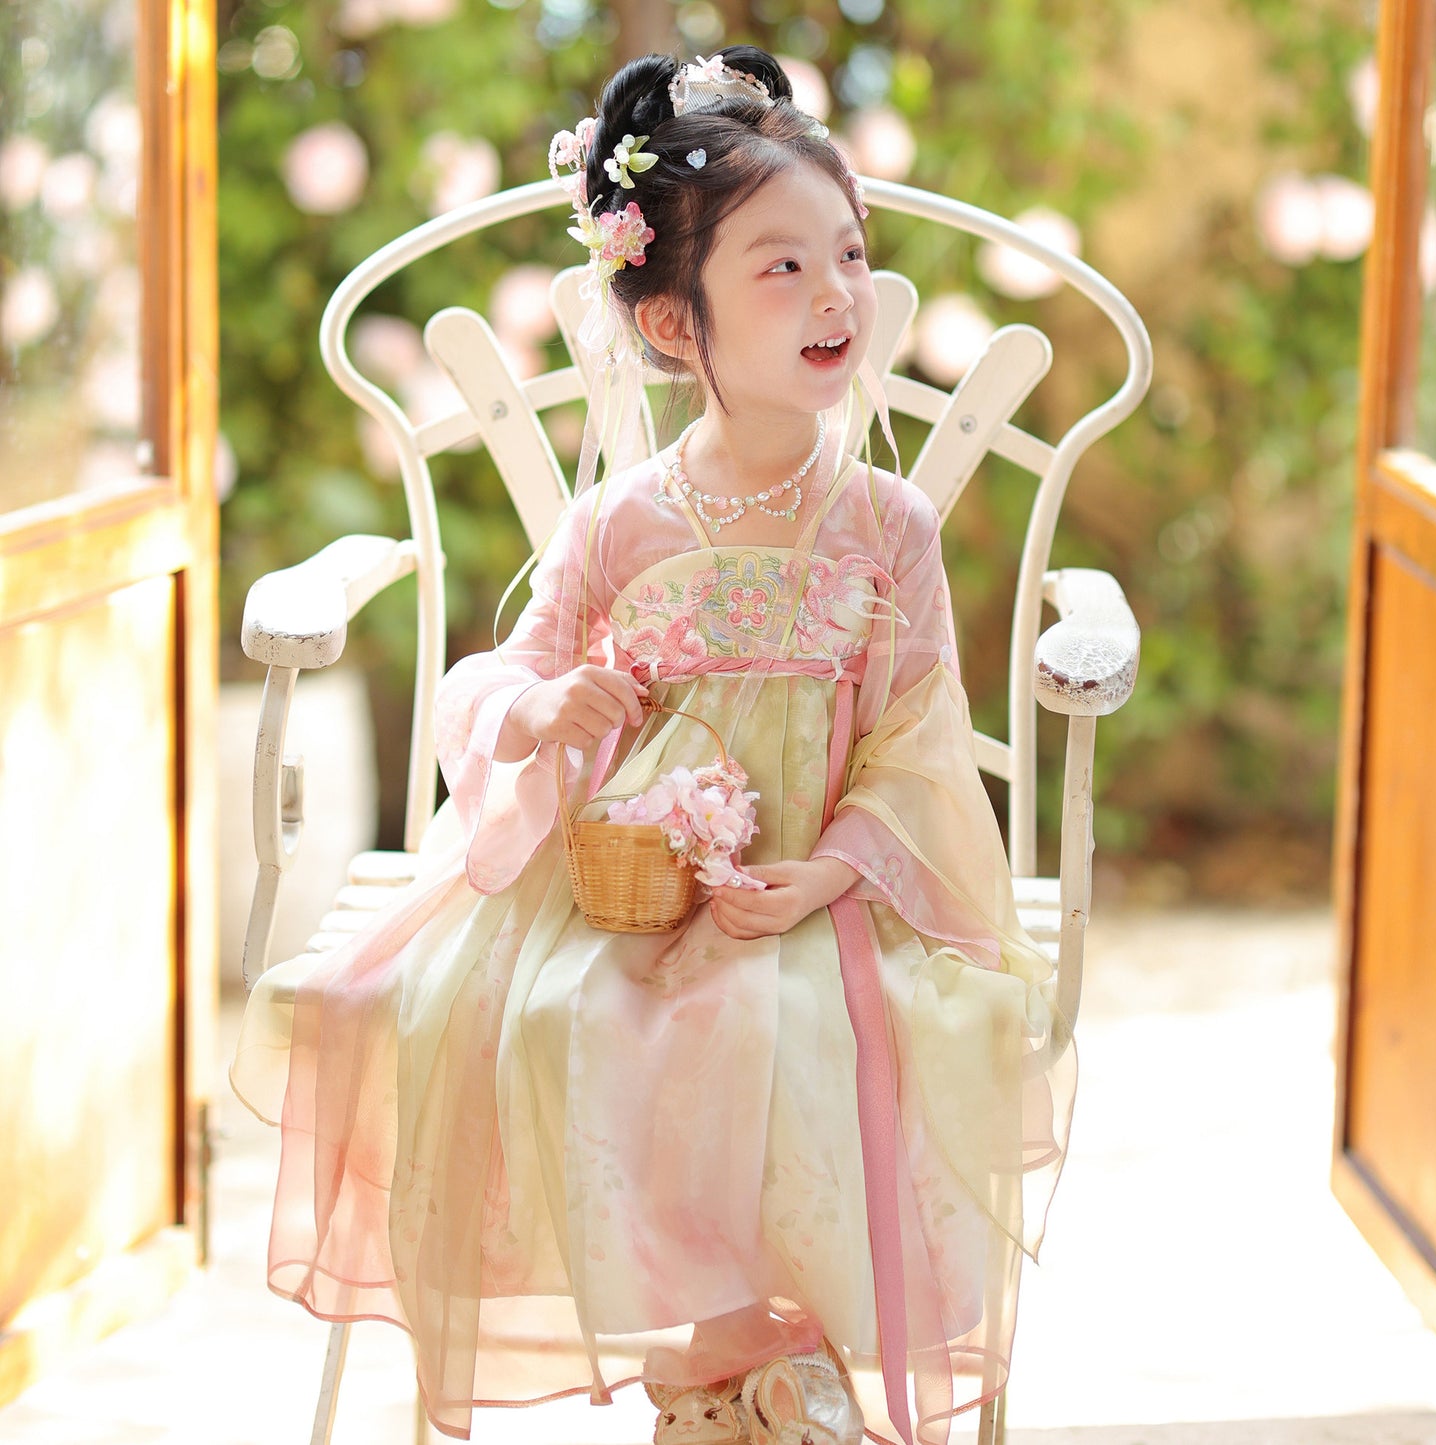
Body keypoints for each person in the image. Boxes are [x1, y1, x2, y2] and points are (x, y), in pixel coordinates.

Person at [230, 45, 1076, 1445]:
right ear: (677, 325)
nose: (834, 294)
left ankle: (750, 1364)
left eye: (847, 257)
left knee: (788, 1021)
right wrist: (540, 711)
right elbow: (509, 672)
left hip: (811, 886)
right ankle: (723, 1362)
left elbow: (922, 735)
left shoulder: (881, 526)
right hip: (624, 883)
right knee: (570, 1012)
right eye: (779, 268)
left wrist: (833, 871)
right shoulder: (622, 523)